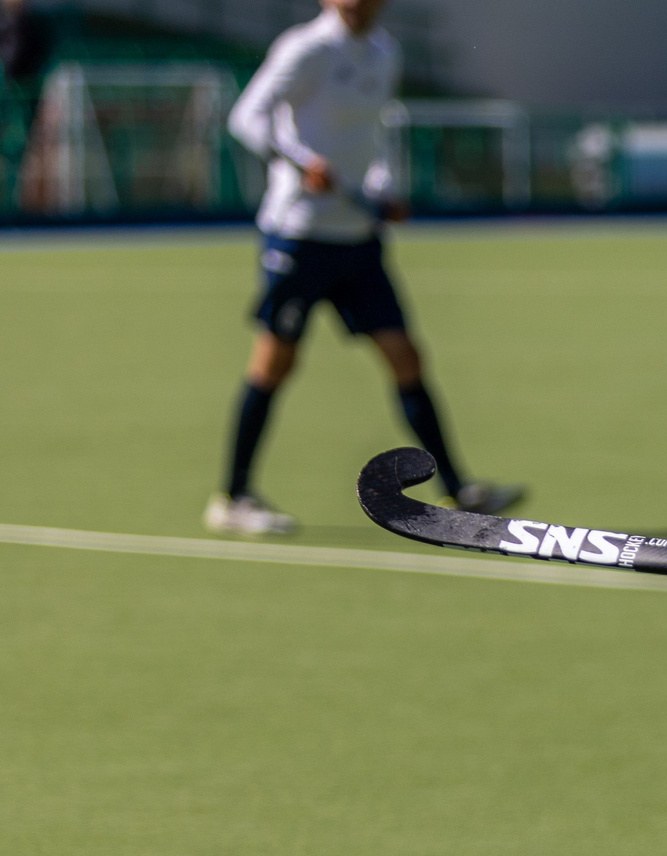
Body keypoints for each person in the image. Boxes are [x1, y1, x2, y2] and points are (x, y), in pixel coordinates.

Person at [206, 0, 518, 537]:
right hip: (298, 234)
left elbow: (369, 139)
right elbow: (247, 117)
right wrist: (302, 163)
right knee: (274, 365)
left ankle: (459, 486)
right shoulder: (305, 47)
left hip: (357, 237)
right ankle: (233, 497)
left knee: (405, 355)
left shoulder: (383, 52)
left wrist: (381, 190)